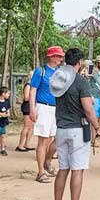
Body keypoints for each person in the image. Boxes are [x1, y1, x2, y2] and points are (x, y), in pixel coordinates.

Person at [49, 48, 100, 200]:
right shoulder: (81, 82)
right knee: (77, 170)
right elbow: (88, 109)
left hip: (61, 129)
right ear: (79, 63)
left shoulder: (58, 79)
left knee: (63, 169)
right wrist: (98, 127)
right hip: (77, 130)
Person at [30, 46, 64, 183]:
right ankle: (40, 171)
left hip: (55, 108)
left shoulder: (59, 73)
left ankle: (47, 163)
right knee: (43, 141)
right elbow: (33, 90)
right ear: (51, 57)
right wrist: (32, 109)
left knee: (52, 139)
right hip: (43, 107)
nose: (60, 59)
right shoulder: (41, 72)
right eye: (58, 56)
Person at [14, 77, 33, 152]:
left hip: (31, 106)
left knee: (31, 127)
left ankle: (26, 144)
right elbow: (26, 98)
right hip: (27, 107)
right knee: (27, 126)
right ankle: (20, 145)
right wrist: (34, 95)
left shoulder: (32, 86)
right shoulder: (28, 85)